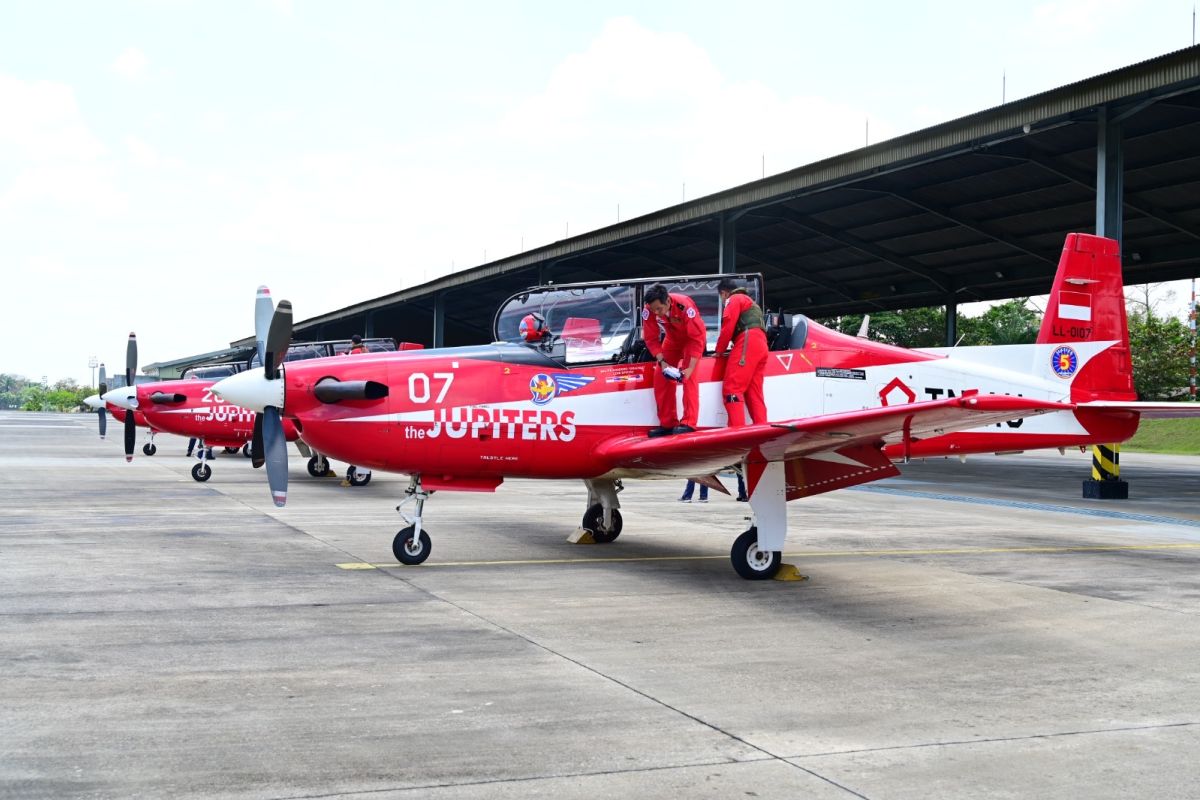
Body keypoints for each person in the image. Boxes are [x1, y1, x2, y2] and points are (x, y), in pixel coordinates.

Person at [642, 284, 707, 437]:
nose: (656, 314)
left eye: (659, 309)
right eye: (653, 310)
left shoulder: (685, 306)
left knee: (688, 378)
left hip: (691, 340)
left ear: (668, 302)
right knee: (660, 376)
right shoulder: (649, 309)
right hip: (672, 339)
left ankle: (689, 423)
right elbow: (651, 338)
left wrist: (690, 368)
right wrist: (662, 360)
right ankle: (668, 423)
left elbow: (698, 338)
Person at [715, 277, 769, 427]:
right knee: (754, 393)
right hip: (761, 345)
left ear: (724, 293)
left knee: (732, 388)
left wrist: (719, 351)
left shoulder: (733, 299)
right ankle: (762, 430)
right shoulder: (751, 303)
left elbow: (727, 327)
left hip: (747, 342)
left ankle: (736, 431)